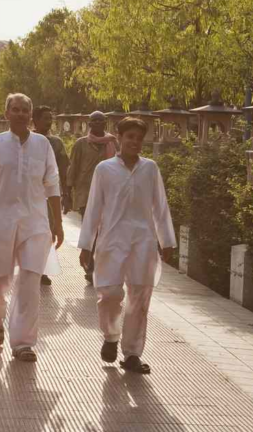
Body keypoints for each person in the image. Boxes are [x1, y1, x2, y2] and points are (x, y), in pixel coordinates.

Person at [0, 93, 63, 362]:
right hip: (1, 221)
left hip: (35, 224)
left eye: (25, 110)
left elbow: (52, 184)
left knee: (30, 282)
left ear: (30, 115)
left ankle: (23, 343)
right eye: (16, 109)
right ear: (7, 113)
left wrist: (57, 222)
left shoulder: (42, 145)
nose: (21, 114)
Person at [78, 117, 175, 374]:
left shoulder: (150, 169)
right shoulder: (104, 169)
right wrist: (86, 244)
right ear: (119, 138)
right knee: (109, 293)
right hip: (111, 240)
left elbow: (160, 206)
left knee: (140, 297)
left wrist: (167, 240)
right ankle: (111, 336)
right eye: (129, 136)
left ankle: (132, 353)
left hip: (143, 241)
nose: (134, 142)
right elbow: (94, 208)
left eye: (139, 138)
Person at [67, 111, 119, 283]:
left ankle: (100, 265)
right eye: (94, 120)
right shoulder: (81, 144)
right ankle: (91, 267)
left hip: (109, 193)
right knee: (91, 229)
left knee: (105, 230)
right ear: (89, 124)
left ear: (105, 123)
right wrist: (67, 193)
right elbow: (73, 167)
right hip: (85, 192)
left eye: (100, 120)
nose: (97, 123)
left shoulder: (112, 143)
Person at [33, 105, 70, 287]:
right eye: (45, 118)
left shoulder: (56, 143)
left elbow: (64, 169)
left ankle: (43, 269)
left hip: (51, 194)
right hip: (31, 195)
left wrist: (67, 193)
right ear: (35, 120)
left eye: (50, 118)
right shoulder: (27, 141)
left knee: (49, 230)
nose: (48, 122)